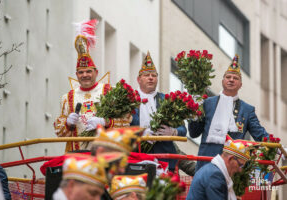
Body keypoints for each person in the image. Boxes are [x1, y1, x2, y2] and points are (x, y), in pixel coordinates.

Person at [54, 19, 127, 152]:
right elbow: (59, 132)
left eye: (89, 71)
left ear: (96, 72)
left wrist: (105, 122)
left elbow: (126, 120)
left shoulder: (109, 91)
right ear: (76, 75)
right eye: (81, 72)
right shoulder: (67, 98)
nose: (85, 75)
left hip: (106, 154)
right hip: (77, 155)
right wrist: (67, 123)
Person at [188, 55, 269, 171]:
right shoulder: (207, 103)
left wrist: (277, 146)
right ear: (222, 81)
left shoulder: (247, 109)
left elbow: (260, 135)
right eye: (228, 77)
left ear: (240, 85)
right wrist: (194, 113)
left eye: (235, 78)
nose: (231, 80)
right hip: (205, 163)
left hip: (232, 166)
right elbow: (193, 133)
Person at [130, 51, 195, 174]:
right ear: (139, 79)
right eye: (147, 75)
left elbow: (182, 130)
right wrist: (141, 133)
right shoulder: (129, 100)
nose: (150, 77)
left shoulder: (166, 100)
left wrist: (173, 131)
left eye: (154, 75)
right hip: (136, 160)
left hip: (165, 161)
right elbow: (121, 128)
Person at [186, 136, 250, 200]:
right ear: (231, 159)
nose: (240, 170)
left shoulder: (212, 169)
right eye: (240, 165)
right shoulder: (215, 175)